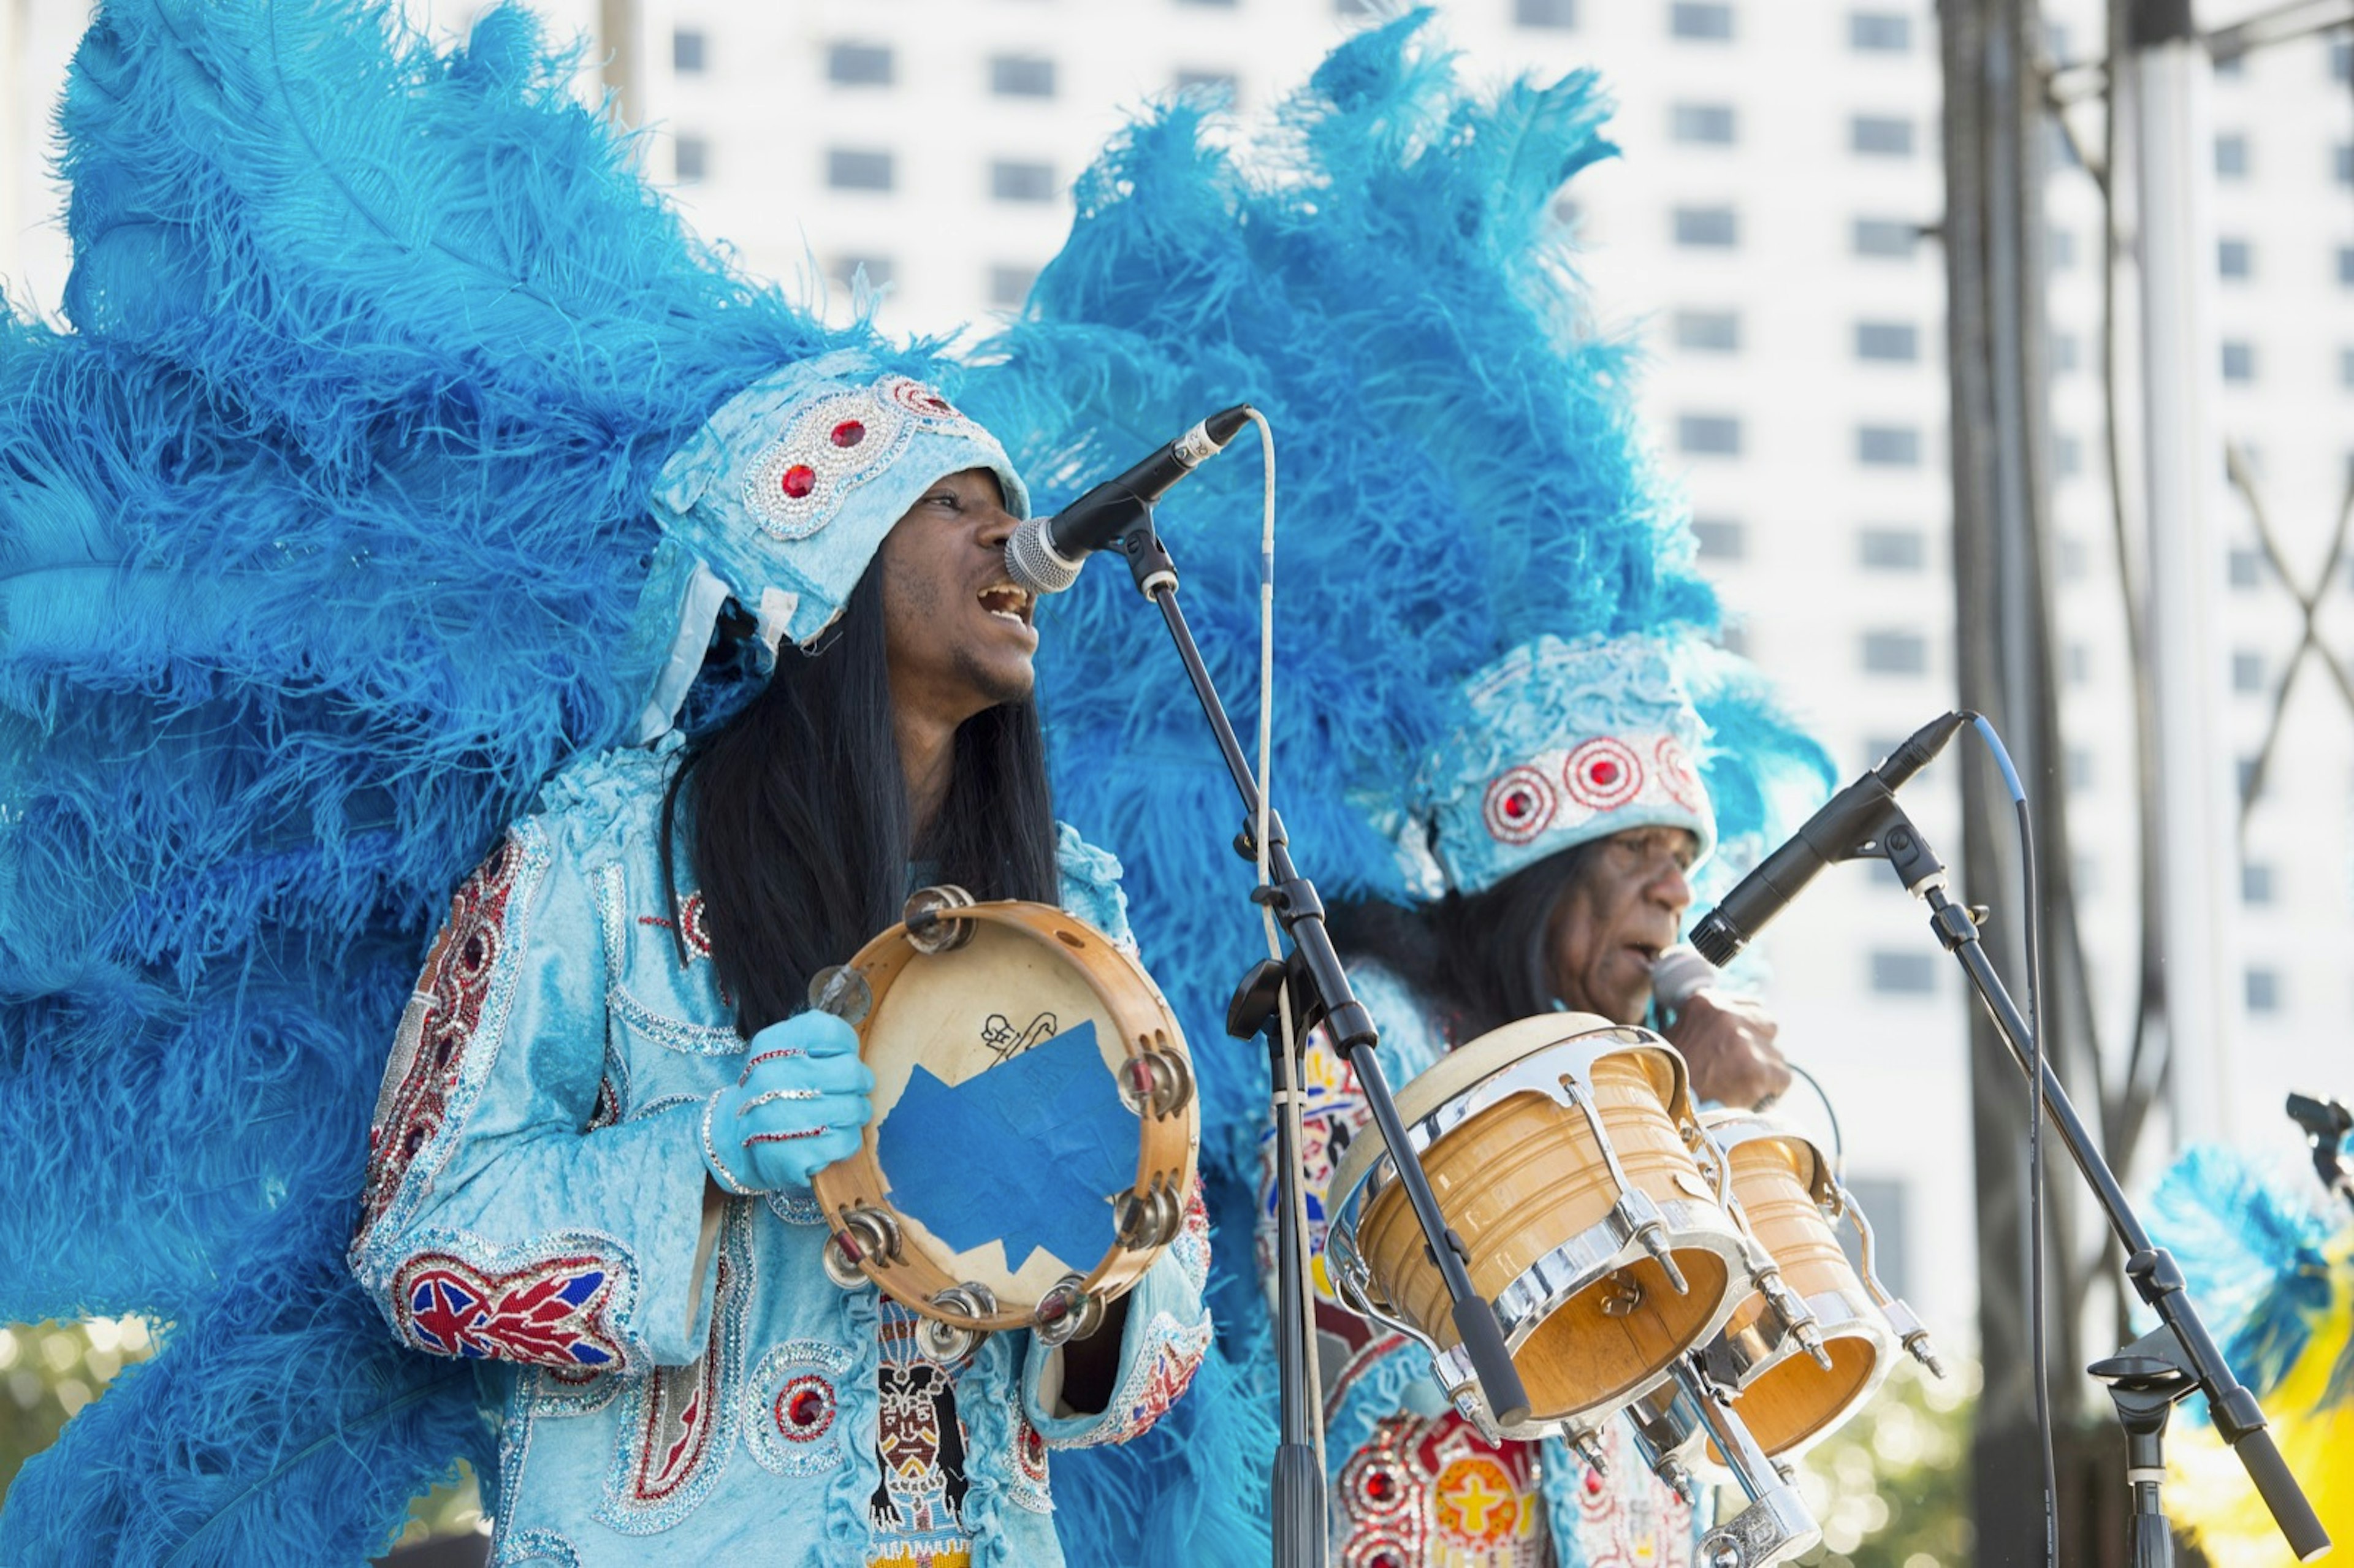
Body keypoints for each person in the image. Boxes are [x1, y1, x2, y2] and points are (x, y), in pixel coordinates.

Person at [348, 353, 1211, 1567]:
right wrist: (706, 1152)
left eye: (1005, 503)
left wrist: (1103, 1252)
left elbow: (1164, 1336)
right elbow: (418, 1241)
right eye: (951, 504)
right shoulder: (600, 850)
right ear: (824, 573)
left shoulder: (1074, 905)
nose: (1012, 535)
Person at [1260, 634, 1789, 1567]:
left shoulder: (1627, 1069)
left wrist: (1707, 1128)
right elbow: (1347, 1332)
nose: (1677, 891)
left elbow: (1732, 1355)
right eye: (1638, 847)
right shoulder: (1369, 1035)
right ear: (1541, 869)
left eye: (1685, 857)